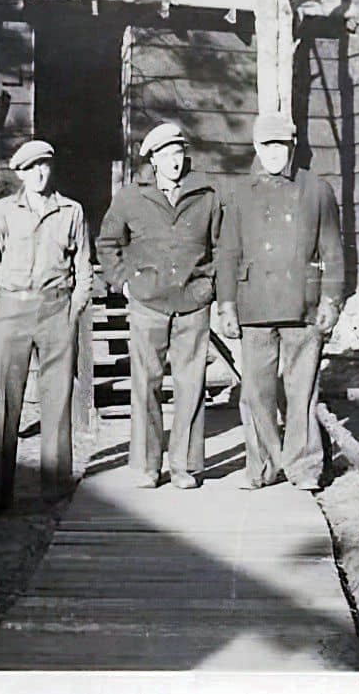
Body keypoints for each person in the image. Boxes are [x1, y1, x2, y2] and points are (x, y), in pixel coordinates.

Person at [217, 113, 345, 491]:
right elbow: (227, 253)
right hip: (254, 306)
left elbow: (334, 252)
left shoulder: (316, 190)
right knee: (256, 393)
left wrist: (332, 300)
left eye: (280, 145)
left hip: (303, 307)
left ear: (291, 147)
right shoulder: (239, 194)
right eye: (266, 145)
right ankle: (262, 467)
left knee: (302, 391)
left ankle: (304, 469)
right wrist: (226, 306)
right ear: (256, 147)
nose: (273, 153)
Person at [97, 122, 223, 489]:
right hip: (148, 302)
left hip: (192, 303)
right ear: (152, 159)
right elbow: (108, 243)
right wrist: (122, 280)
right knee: (145, 383)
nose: (174, 161)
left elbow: (221, 245)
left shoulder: (206, 195)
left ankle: (186, 467)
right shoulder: (129, 198)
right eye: (166, 155)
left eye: (179, 153)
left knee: (191, 385)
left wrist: (209, 284)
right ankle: (148, 466)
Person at [0, 139, 92, 518]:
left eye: (44, 165)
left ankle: (55, 493)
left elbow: (84, 269)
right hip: (12, 310)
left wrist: (72, 311)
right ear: (20, 174)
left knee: (57, 403)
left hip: (56, 310)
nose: (39, 173)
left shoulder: (71, 212)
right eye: (31, 168)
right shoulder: (3, 212)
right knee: (5, 407)